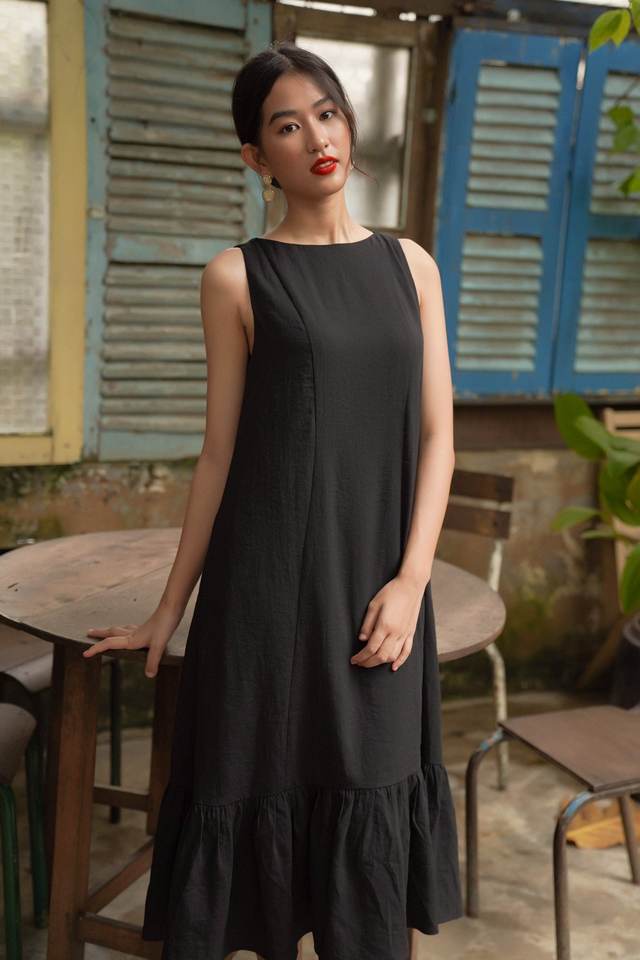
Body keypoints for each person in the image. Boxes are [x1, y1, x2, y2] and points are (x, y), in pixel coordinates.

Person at [83, 39, 463, 960]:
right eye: (288, 127)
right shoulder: (235, 277)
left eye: (327, 114)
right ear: (257, 156)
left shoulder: (411, 266)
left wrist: (412, 581)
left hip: (377, 594)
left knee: (367, 859)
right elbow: (220, 454)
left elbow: (438, 437)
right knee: (253, 831)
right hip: (265, 604)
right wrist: (169, 609)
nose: (317, 139)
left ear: (349, 124)